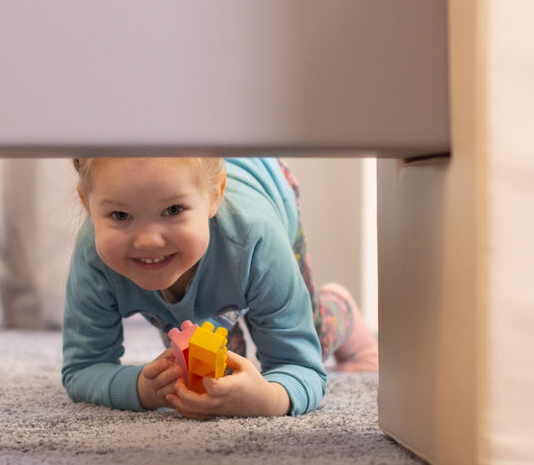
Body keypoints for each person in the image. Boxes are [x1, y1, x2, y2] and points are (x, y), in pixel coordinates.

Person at [62, 157, 378, 418]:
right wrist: (142, 389)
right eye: (120, 215)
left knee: (315, 338)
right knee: (206, 366)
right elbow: (82, 369)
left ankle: (341, 307)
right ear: (87, 203)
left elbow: (299, 366)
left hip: (267, 188)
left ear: (216, 195)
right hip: (218, 237)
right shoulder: (93, 256)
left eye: (173, 210)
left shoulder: (257, 238)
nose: (148, 241)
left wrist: (267, 399)